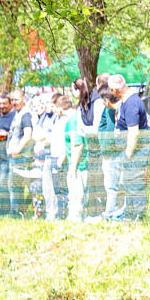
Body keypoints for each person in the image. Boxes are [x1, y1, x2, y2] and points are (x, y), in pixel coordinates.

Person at [106, 74, 150, 221]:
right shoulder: (126, 101)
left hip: (136, 153)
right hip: (130, 153)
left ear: (114, 90)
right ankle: (130, 217)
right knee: (128, 183)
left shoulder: (132, 103)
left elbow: (134, 133)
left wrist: (127, 155)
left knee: (135, 184)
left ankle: (137, 218)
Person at [62, 83, 92, 223]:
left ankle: (75, 221)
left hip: (79, 166)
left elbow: (78, 144)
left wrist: (73, 168)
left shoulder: (74, 119)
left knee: (76, 197)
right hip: (79, 164)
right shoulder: (78, 115)